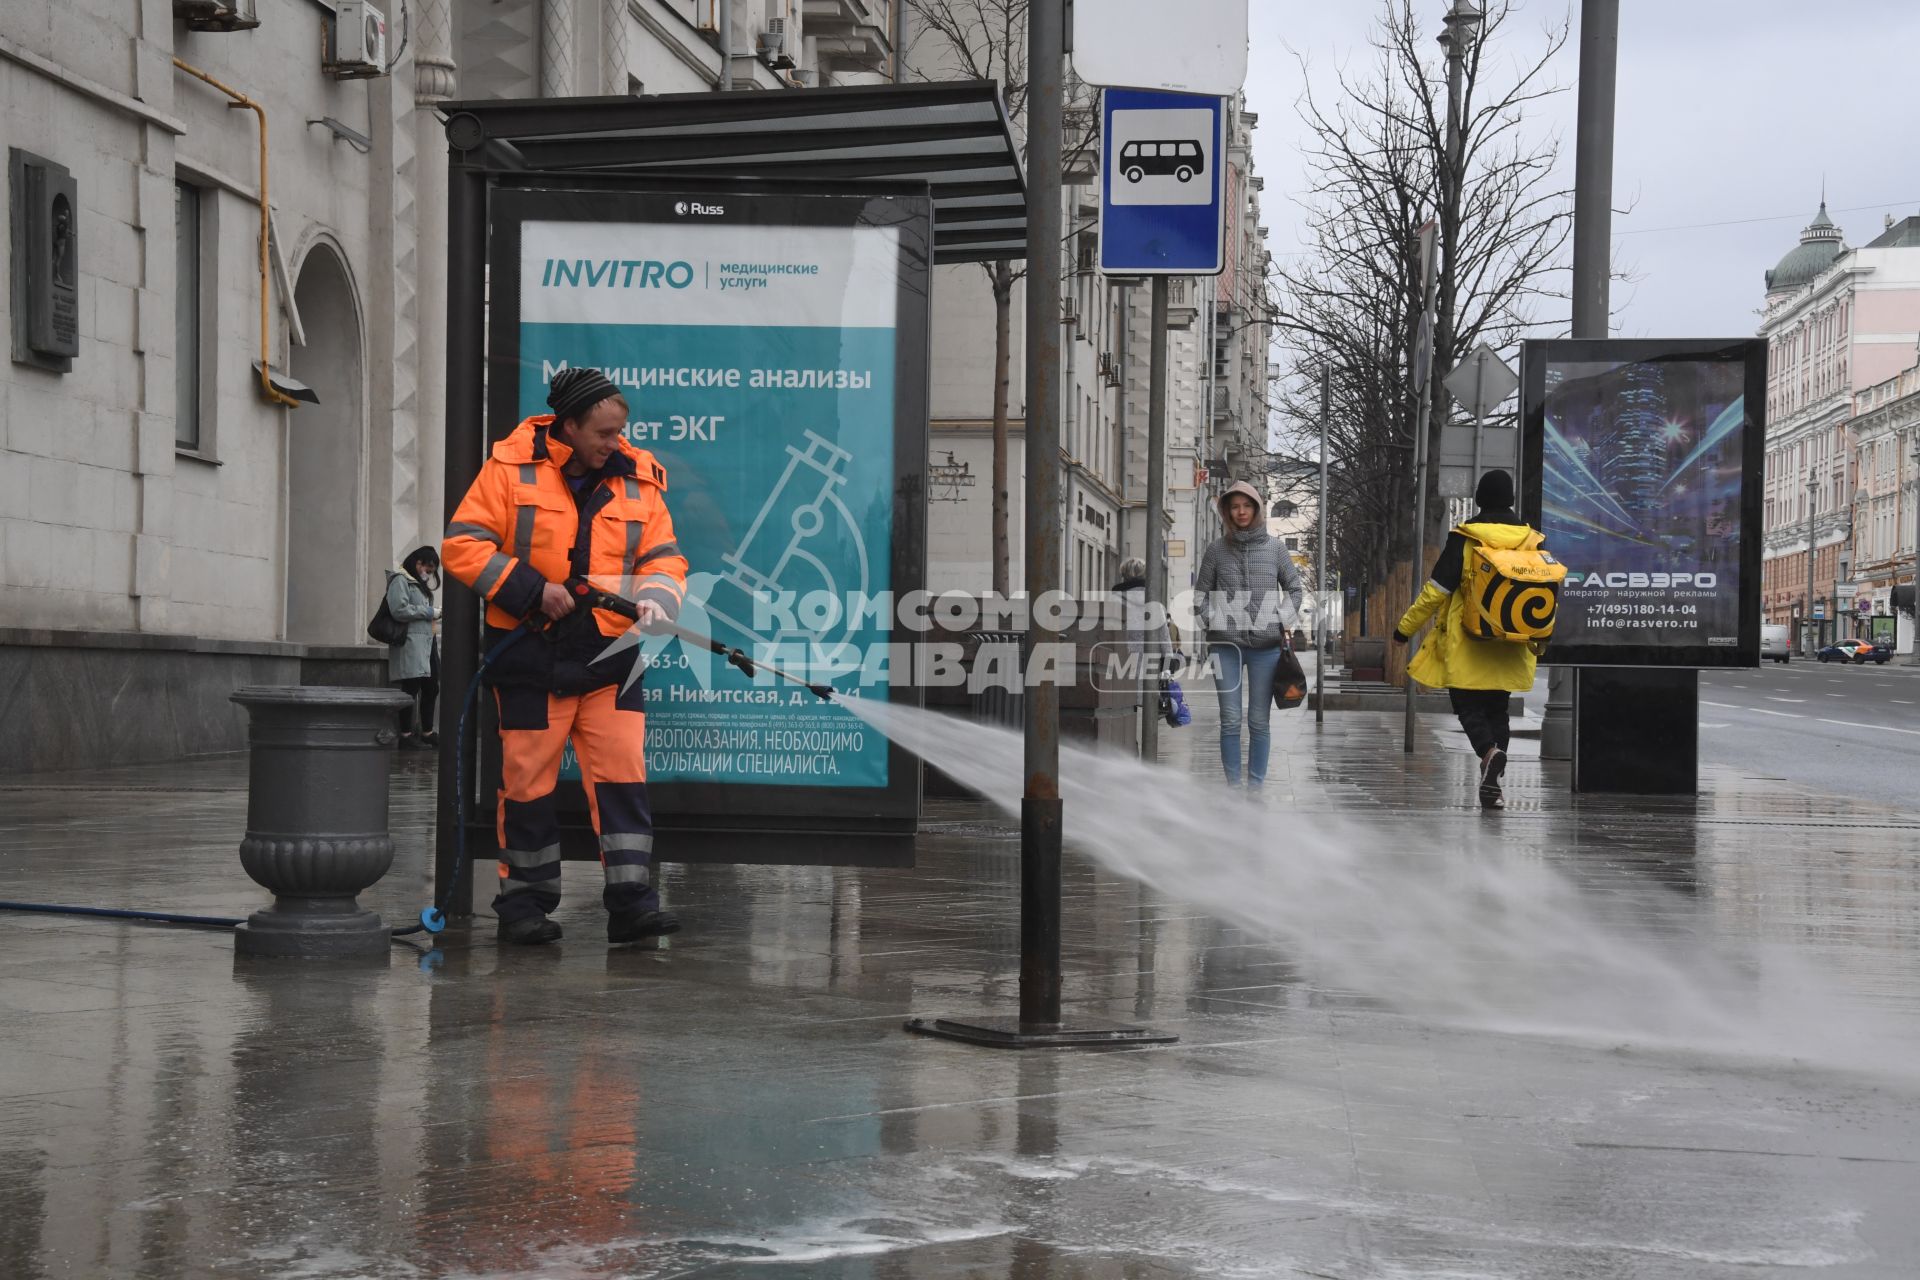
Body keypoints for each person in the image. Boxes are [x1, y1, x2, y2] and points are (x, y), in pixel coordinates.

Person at [442, 367, 690, 946]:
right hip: (530, 658)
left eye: (619, 431)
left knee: (623, 780)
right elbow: (463, 545)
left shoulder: (641, 479)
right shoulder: (508, 469)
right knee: (527, 784)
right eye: (603, 432)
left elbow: (665, 558)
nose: (614, 443)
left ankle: (632, 905)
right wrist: (531, 589)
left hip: (614, 658)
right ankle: (524, 906)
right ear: (569, 425)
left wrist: (656, 599)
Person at [1393, 468, 1539, 810]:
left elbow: (1435, 593)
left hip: (1469, 640)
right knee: (1497, 709)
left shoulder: (1466, 537)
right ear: (1512, 500)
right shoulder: (1532, 540)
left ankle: (1489, 754)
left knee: (1467, 705)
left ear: (1479, 499)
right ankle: (1494, 786)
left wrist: (1405, 629)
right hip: (1512, 639)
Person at [1194, 481, 1305, 789]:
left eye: (1246, 505)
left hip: (1266, 648)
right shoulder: (1216, 550)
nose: (1241, 512)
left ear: (1256, 508)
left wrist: (1280, 619)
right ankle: (1233, 788)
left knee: (1258, 721)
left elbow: (1295, 589)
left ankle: (1255, 788)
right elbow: (1199, 596)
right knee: (1230, 719)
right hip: (1225, 647)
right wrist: (1212, 621)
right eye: (1234, 506)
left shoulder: (1275, 548)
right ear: (1227, 511)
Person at [385, 546, 442, 750]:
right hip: (411, 642)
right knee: (411, 688)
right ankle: (406, 734)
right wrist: (429, 612)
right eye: (427, 568)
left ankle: (427, 731)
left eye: (432, 570)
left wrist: (434, 615)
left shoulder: (418, 584)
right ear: (416, 562)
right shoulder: (400, 580)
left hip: (427, 641)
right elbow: (398, 609)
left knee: (431, 686)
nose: (428, 573)